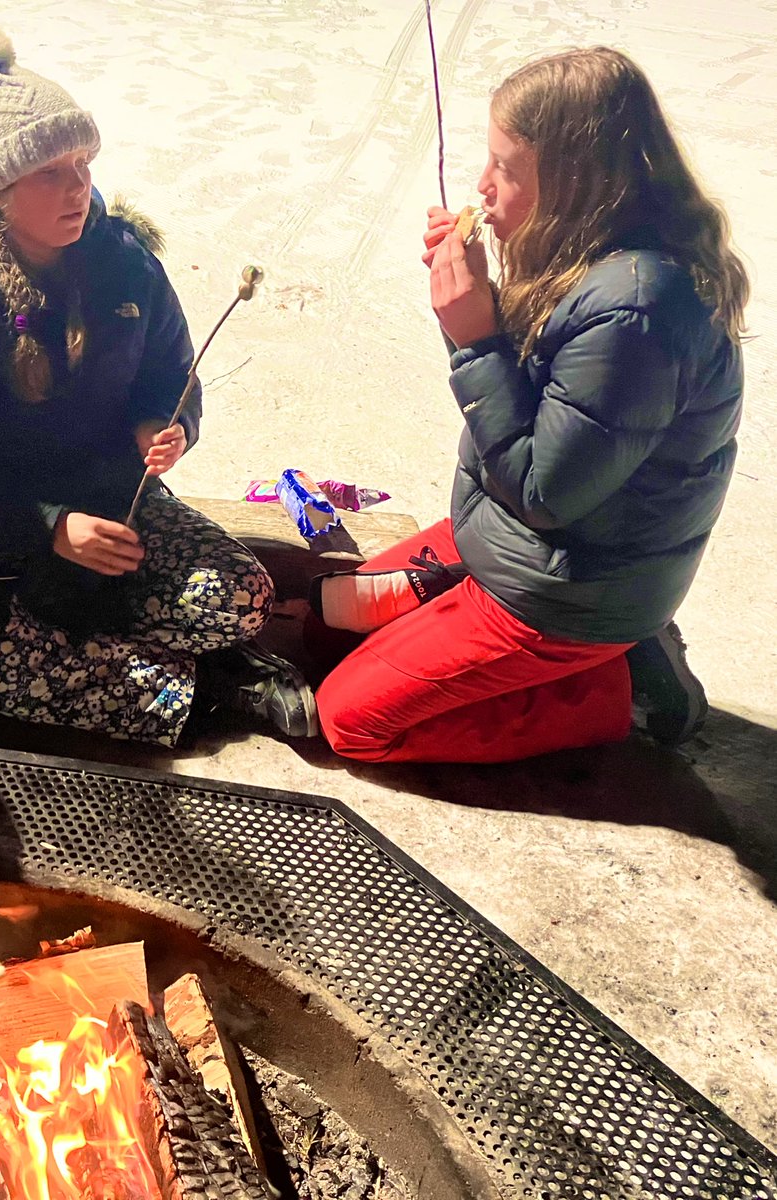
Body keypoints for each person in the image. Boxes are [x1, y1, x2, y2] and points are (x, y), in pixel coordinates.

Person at [308, 46, 748, 763]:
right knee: (320, 627)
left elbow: (546, 492)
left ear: (574, 179)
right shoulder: (586, 245)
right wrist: (483, 299)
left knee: (349, 723)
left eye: (506, 167)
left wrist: (473, 339)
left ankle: (621, 690)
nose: (481, 188)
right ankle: (567, 653)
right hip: (513, 540)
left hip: (570, 587)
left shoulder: (636, 309)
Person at [0, 26, 317, 747]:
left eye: (82, 162)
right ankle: (208, 685)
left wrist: (163, 420)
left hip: (117, 502)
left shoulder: (124, 261)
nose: (77, 186)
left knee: (242, 596)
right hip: (0, 539)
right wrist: (50, 528)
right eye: (48, 173)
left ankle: (125, 659)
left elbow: (170, 370)